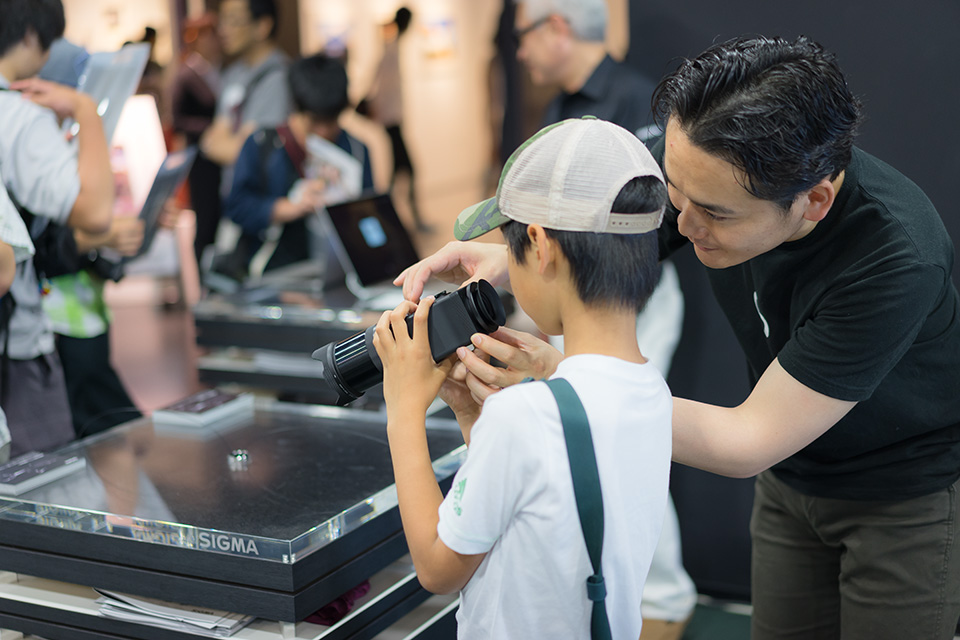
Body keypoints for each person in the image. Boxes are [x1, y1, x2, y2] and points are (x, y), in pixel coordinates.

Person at [397, 35, 960, 639]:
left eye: (714, 212)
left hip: (899, 495)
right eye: (673, 191)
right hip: (788, 483)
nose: (683, 224)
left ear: (814, 201)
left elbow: (748, 439)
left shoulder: (896, 257)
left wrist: (568, 386)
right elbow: (604, 231)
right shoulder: (705, 162)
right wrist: (511, 260)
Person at [376, 117, 672, 638]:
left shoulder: (525, 416)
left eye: (509, 250)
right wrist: (474, 419)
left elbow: (438, 569)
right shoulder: (653, 393)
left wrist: (402, 411)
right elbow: (537, 504)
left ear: (539, 245)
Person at [515, 1, 696, 634]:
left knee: (624, 440)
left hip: (629, 300)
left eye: (523, 35)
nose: (519, 51)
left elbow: (652, 224)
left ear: (557, 28)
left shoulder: (639, 102)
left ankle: (664, 599)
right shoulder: (560, 111)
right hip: (572, 297)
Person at [0, 0, 114, 458]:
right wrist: (86, 111)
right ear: (32, 34)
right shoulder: (21, 116)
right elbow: (95, 211)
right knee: (43, 485)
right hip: (19, 344)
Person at [223, 53, 374, 275]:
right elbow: (236, 207)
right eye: (314, 121)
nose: (323, 132)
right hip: (274, 272)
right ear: (295, 108)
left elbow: (372, 215)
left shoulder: (357, 150)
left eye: (331, 121)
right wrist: (289, 207)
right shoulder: (263, 144)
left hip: (341, 270)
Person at [200, 0, 290, 193]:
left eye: (233, 20)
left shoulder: (277, 78)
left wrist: (217, 144)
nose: (223, 30)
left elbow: (244, 152)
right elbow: (213, 139)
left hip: (262, 199)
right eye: (222, 21)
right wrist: (217, 144)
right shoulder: (233, 74)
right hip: (232, 194)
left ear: (263, 26)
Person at [364, 7, 430, 232]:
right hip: (391, 121)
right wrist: (382, 112)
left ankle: (391, 218)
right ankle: (404, 218)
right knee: (409, 169)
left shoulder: (393, 47)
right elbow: (383, 86)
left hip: (392, 120)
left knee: (399, 172)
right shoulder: (391, 49)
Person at [169, 13, 222, 266]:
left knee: (215, 212)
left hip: (217, 151)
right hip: (201, 155)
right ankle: (201, 268)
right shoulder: (187, 73)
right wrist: (210, 128)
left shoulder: (210, 69)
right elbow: (177, 120)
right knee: (205, 212)